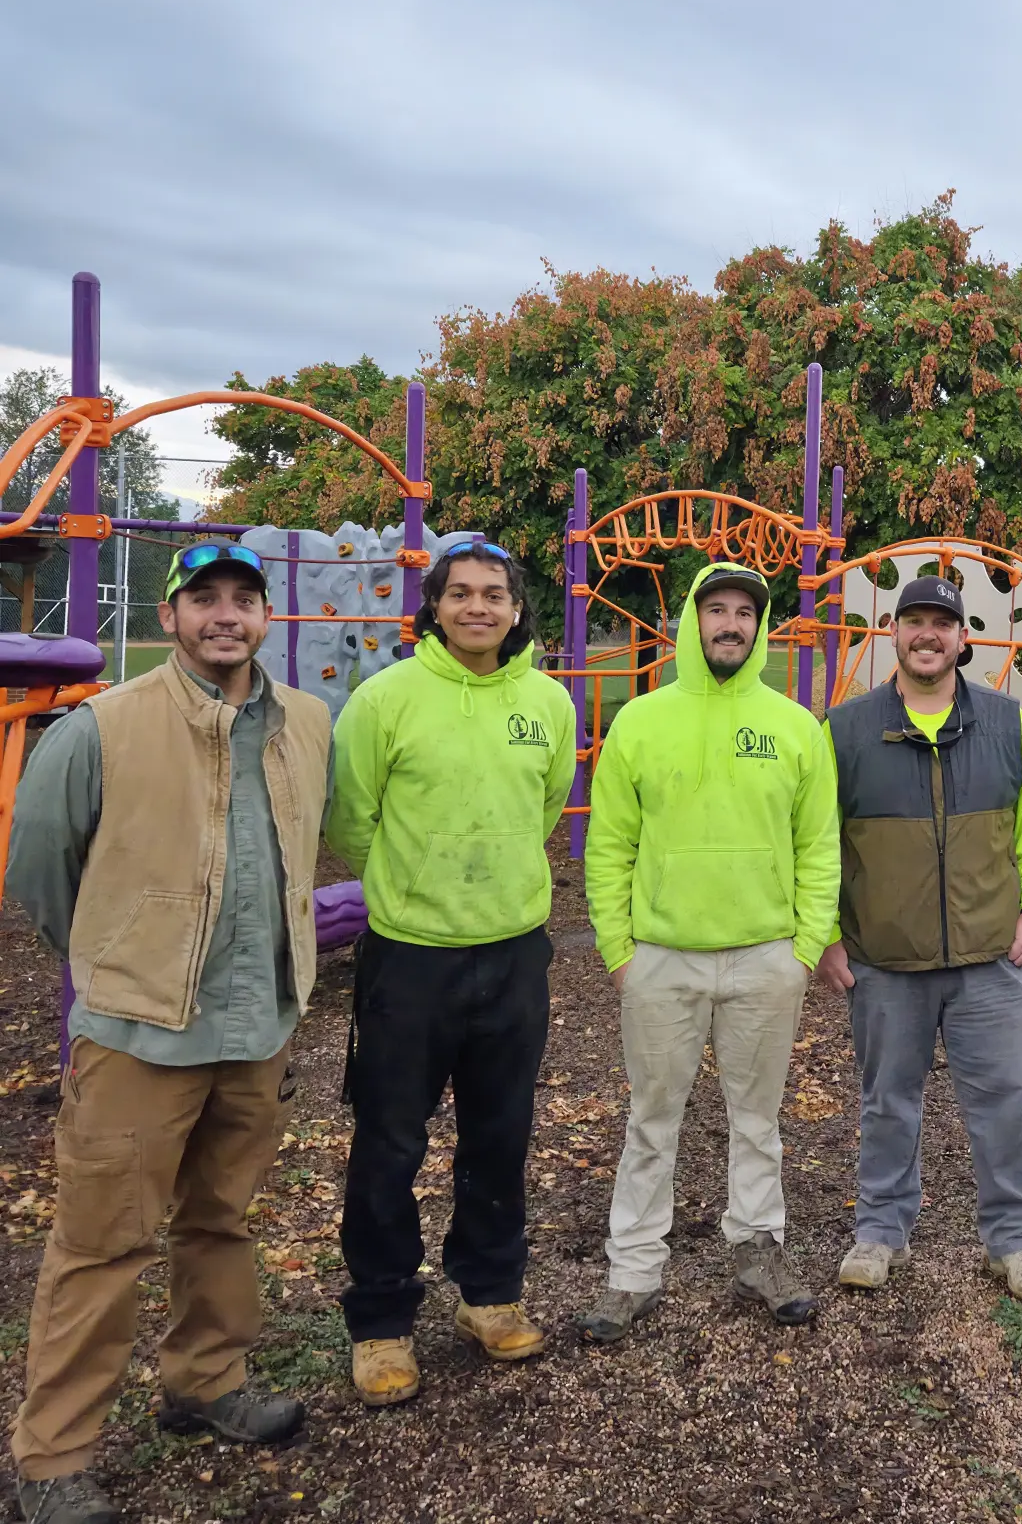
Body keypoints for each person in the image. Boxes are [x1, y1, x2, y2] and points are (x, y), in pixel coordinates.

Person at [6, 542, 333, 1524]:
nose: (224, 615)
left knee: (220, 1220)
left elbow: (319, 842)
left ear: (267, 617)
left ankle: (205, 1381)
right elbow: (39, 871)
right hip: (138, 1036)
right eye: (204, 599)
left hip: (256, 1024)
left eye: (244, 599)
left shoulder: (309, 725)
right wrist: (119, 952)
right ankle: (52, 1458)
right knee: (102, 1246)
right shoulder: (100, 728)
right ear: (172, 611)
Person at [326, 539, 576, 1405]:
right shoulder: (384, 698)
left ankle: (489, 1293)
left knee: (501, 1133)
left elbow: (543, 806)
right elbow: (353, 819)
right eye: (460, 593)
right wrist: (414, 884)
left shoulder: (547, 702)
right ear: (433, 605)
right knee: (391, 1140)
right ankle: (382, 1320)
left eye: (494, 595)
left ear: (516, 610)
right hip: (410, 956)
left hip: (513, 952)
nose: (478, 607)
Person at [578, 562, 839, 1342]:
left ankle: (758, 1249)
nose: (730, 624)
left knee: (756, 1118)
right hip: (662, 958)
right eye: (716, 610)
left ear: (760, 629)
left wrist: (804, 948)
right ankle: (632, 1271)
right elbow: (609, 844)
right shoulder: (642, 721)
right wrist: (618, 950)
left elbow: (820, 846)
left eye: (744, 614)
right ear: (692, 620)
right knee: (653, 1118)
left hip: (766, 958)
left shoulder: (795, 725)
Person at [817, 575, 1022, 1301]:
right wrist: (829, 933)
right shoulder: (846, 727)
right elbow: (818, 839)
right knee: (887, 1101)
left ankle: (1015, 1242)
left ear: (963, 638)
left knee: (1003, 1104)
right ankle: (880, 1229)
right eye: (914, 621)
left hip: (989, 956)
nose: (928, 634)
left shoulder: (1004, 720)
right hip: (885, 958)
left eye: (942, 623)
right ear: (894, 631)